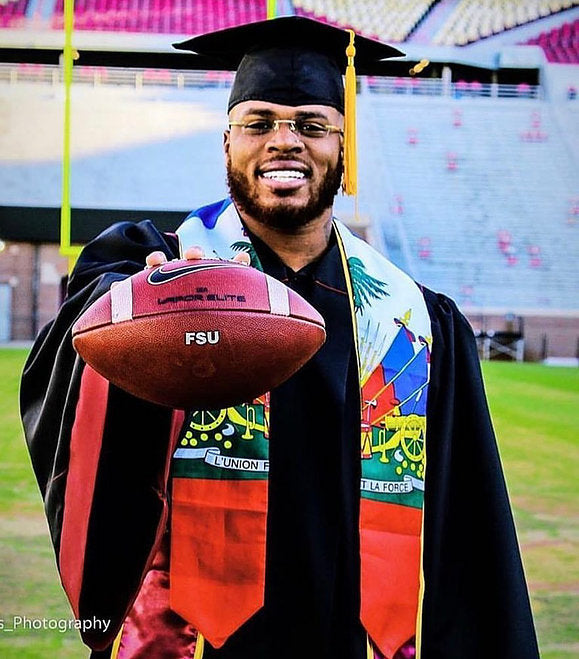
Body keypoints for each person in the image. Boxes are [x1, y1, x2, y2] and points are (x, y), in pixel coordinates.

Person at [20, 16, 539, 659]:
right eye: (259, 122)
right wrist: (129, 315)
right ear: (227, 144)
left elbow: (472, 532)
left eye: (312, 125)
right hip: (195, 643)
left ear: (343, 150)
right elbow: (72, 365)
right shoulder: (158, 272)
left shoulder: (414, 322)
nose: (284, 141)